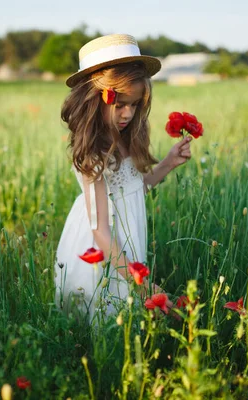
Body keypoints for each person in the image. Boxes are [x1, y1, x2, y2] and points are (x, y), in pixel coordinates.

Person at [54, 34, 193, 323]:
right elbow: (101, 233)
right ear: (95, 99)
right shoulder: (93, 152)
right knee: (107, 308)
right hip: (105, 246)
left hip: (127, 235)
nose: (128, 113)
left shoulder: (128, 137)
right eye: (120, 105)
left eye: (134, 104)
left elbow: (132, 189)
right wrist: (143, 286)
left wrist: (168, 163)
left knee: (124, 314)